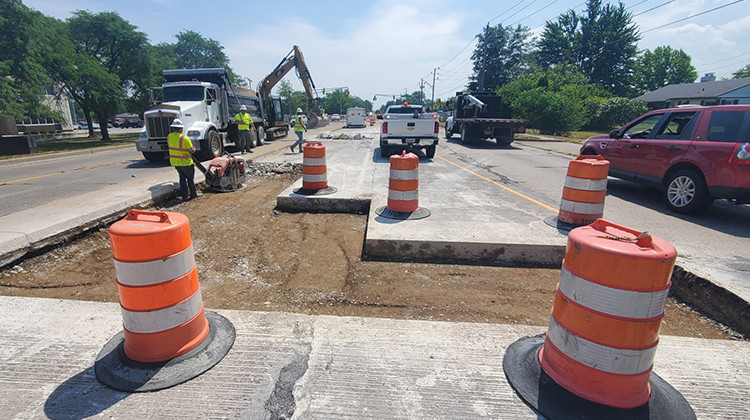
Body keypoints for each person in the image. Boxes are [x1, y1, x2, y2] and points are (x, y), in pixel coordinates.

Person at [167, 119, 197, 201]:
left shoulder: (169, 137)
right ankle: (193, 194)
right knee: (190, 179)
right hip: (186, 163)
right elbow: (191, 150)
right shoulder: (185, 138)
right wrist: (194, 148)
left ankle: (185, 196)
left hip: (176, 163)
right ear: (181, 128)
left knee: (182, 179)